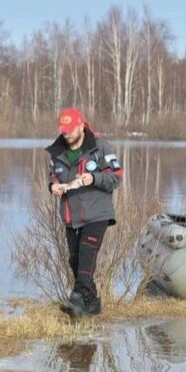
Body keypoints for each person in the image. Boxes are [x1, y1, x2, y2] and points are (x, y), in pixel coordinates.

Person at [46, 108, 122, 318]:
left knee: (87, 258)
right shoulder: (57, 152)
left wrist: (94, 178)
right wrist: (53, 186)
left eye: (70, 129)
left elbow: (116, 177)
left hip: (97, 213)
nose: (66, 134)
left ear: (81, 125)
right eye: (63, 130)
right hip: (71, 214)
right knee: (75, 261)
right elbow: (53, 175)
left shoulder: (101, 147)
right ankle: (91, 302)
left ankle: (77, 298)